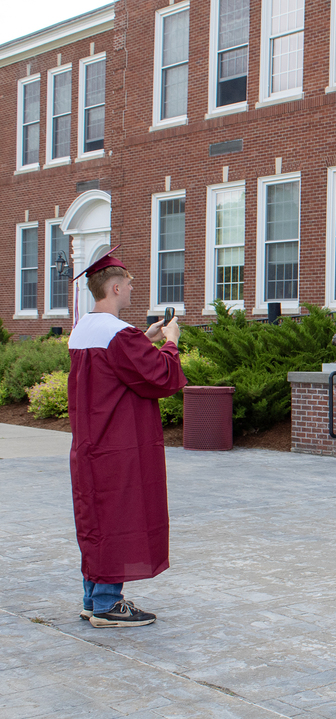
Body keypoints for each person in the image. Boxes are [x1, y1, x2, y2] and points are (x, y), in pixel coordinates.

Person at [68, 246, 187, 628]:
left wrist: (144, 338)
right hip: (118, 445)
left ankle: (92, 599)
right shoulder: (118, 334)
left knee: (95, 518)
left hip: (90, 445)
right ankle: (108, 603)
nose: (133, 289)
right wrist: (171, 341)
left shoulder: (82, 330)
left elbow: (119, 369)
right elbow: (161, 377)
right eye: (129, 284)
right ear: (115, 287)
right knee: (117, 517)